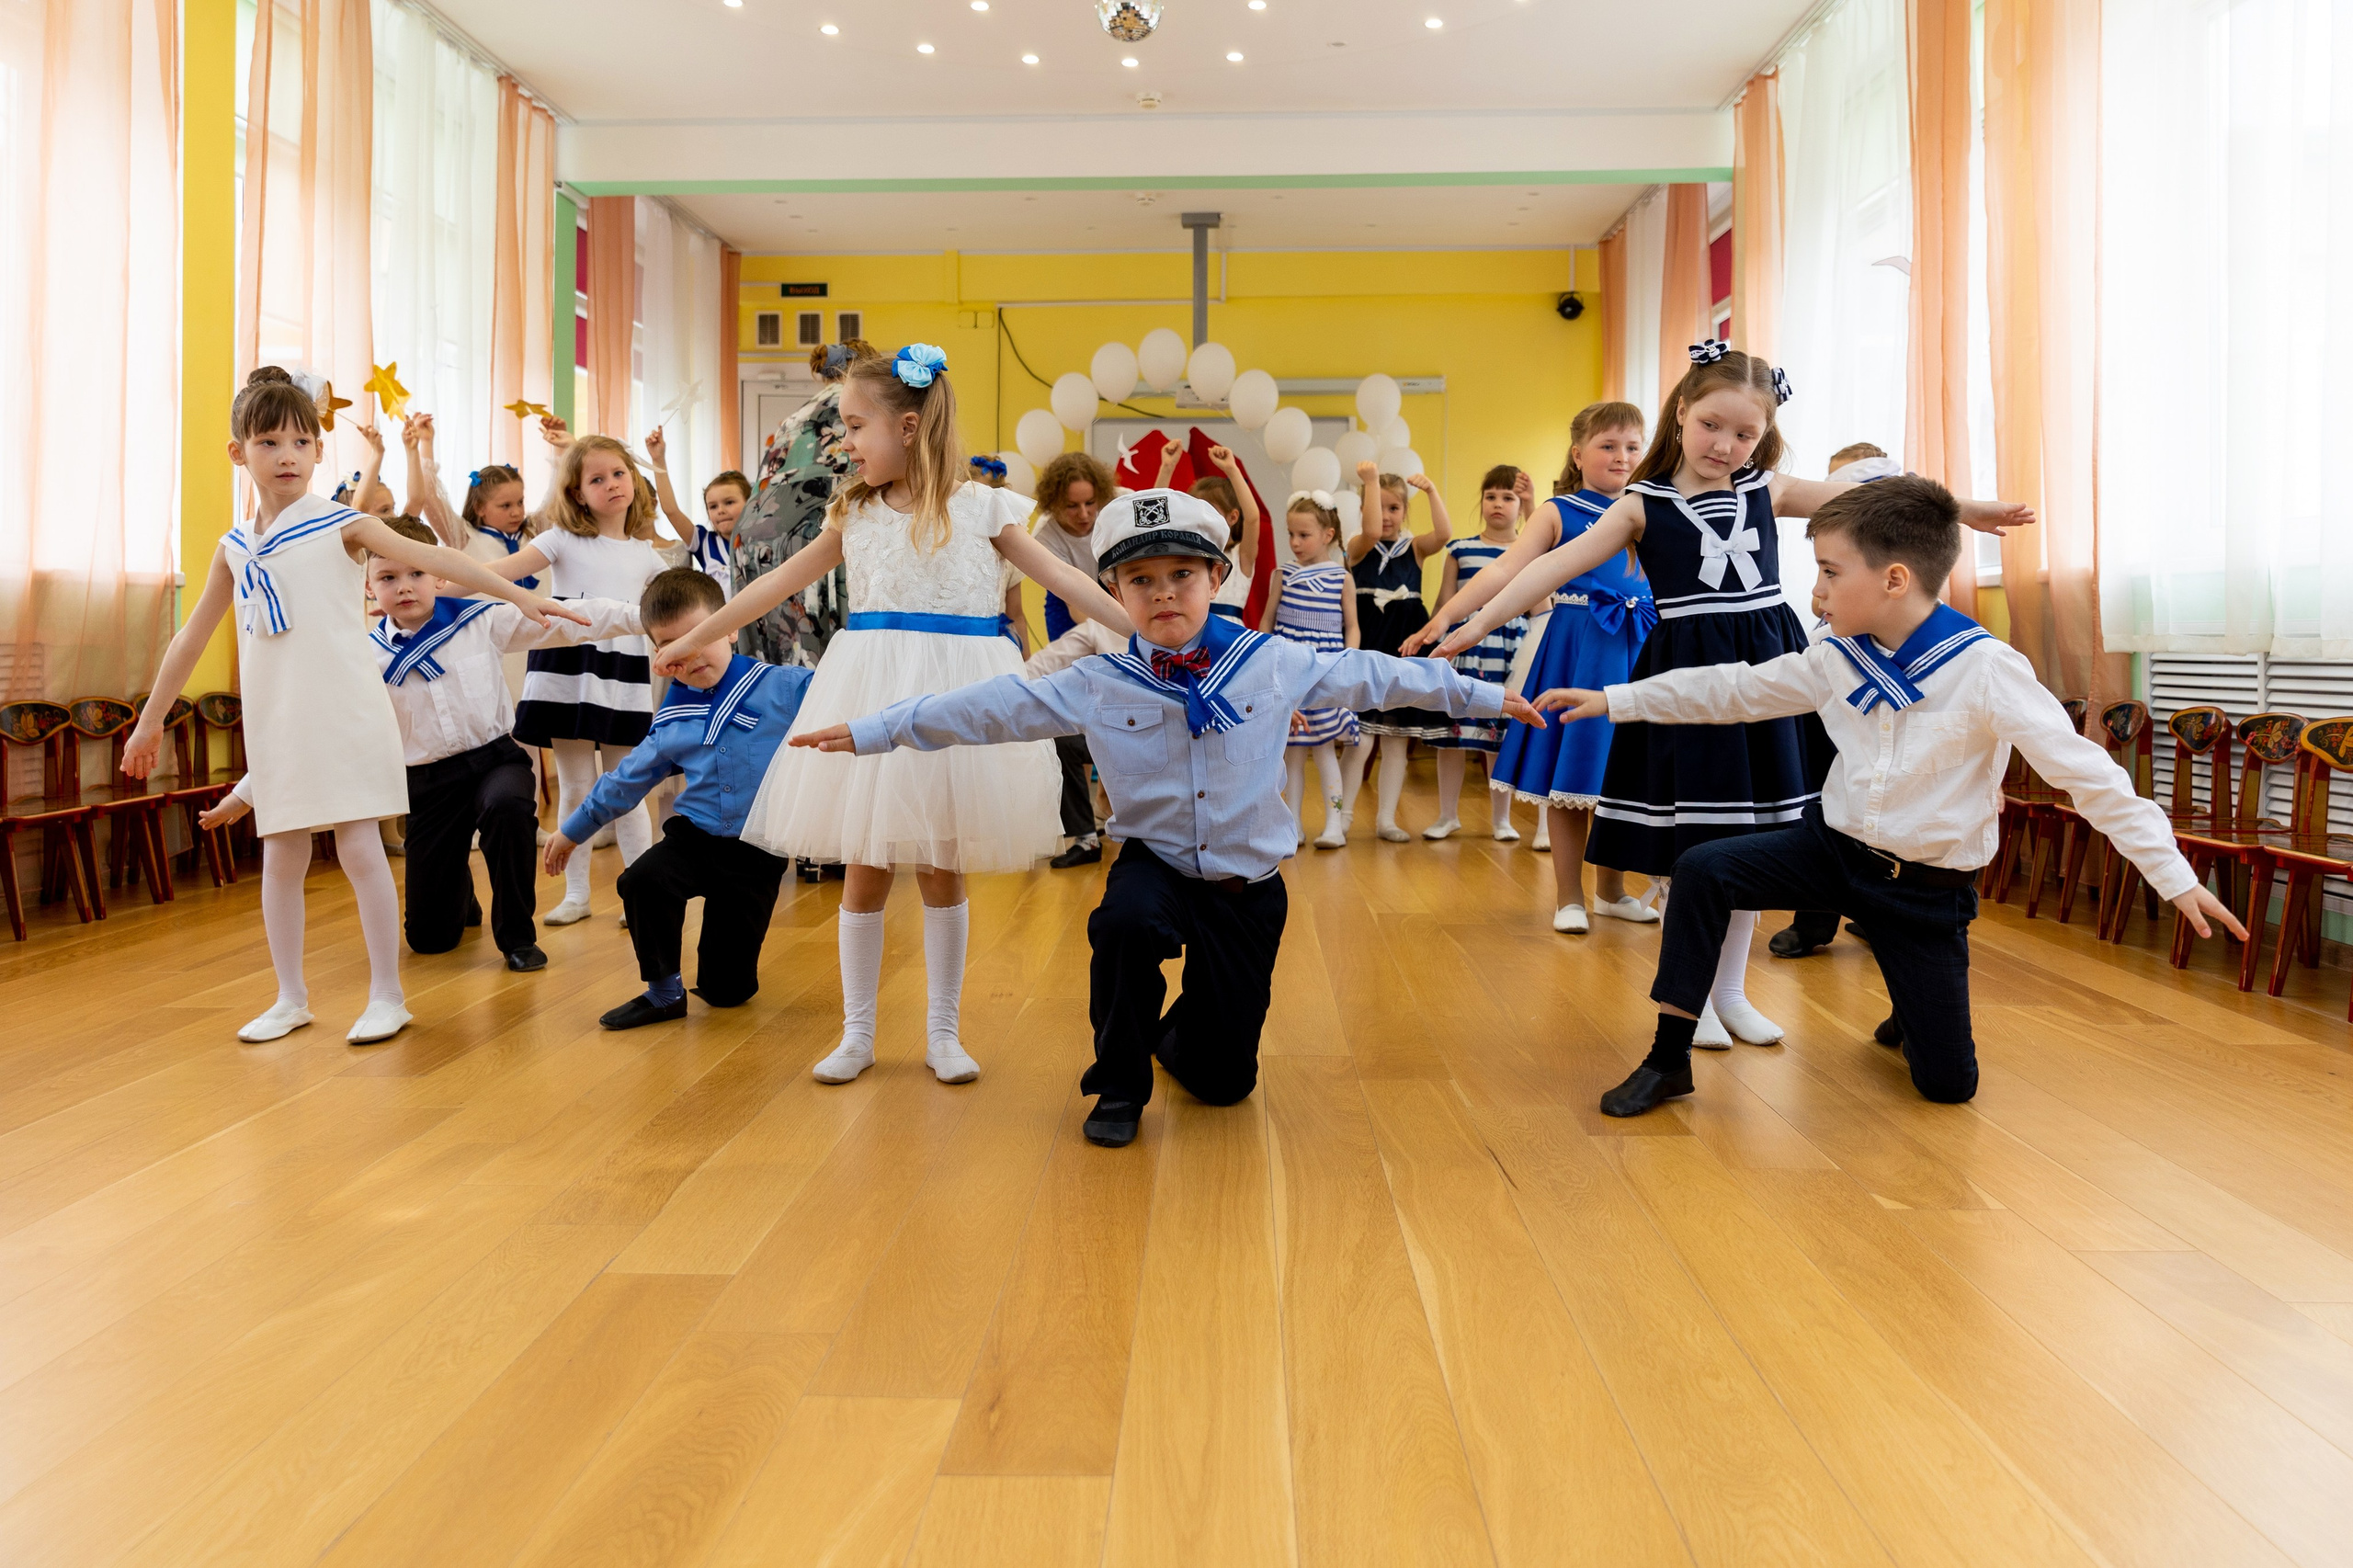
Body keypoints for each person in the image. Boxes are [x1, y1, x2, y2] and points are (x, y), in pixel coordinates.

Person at [790, 490, 1545, 1147]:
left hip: (1248, 881)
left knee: (1223, 1084)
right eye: (1140, 580)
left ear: (1217, 577)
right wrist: (872, 728)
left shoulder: (1267, 660)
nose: (1164, 595)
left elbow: (1371, 675)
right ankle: (1117, 1086)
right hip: (1154, 861)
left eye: (1183, 575)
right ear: (1113, 589)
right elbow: (989, 709)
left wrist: (1479, 696)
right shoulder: (1096, 678)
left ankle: (1178, 1038)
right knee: (1122, 926)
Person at [1530, 476, 2245, 1116]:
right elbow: (1738, 690)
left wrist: (2175, 876)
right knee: (1705, 868)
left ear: (1895, 579)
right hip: (1831, 851)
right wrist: (1615, 698)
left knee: (1946, 1087)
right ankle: (1668, 1059)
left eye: (1831, 572)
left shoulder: (1989, 670)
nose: (1816, 591)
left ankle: (1914, 1004)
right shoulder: (1836, 653)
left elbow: (2091, 777)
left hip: (1925, 888)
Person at [1434, 343, 2031, 1048]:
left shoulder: (1766, 489)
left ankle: (1733, 991)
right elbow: (1549, 566)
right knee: (1700, 837)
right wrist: (1472, 624)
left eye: (1745, 434)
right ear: (1683, 411)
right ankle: (1697, 1000)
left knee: (1754, 831)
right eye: (1713, 425)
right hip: (1688, 670)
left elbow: (1878, 501)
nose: (1726, 445)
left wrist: (1966, 510)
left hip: (1766, 663)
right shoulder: (1640, 506)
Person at [650, 345, 1133, 1086]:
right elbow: (778, 582)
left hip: (958, 696)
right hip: (869, 688)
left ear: (908, 426)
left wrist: (1148, 633)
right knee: (866, 865)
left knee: (942, 866)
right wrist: (693, 637)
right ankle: (859, 1033)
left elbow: (1063, 576)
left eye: (855, 425)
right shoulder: (855, 513)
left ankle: (943, 1031)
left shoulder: (984, 508)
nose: (846, 442)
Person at [121, 367, 581, 1044]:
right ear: (238, 452)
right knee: (282, 857)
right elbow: (190, 638)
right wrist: (151, 718)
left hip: (347, 713)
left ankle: (388, 996)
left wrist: (520, 596)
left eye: (301, 442)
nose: (286, 456)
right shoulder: (234, 548)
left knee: (360, 849)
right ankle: (290, 997)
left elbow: (443, 563)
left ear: (317, 452)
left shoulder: (345, 525)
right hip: (279, 723)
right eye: (269, 442)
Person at [1407, 403, 1657, 933]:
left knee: (1621, 778)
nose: (1622, 456)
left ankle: (1611, 890)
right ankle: (1570, 895)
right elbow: (1506, 568)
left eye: (1633, 446)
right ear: (1578, 453)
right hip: (1578, 647)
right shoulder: (1559, 511)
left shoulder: (1653, 508)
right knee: (1573, 769)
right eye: (1608, 445)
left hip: (1640, 649)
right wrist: (1448, 616)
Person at [544, 569, 814, 1029]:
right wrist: (572, 831)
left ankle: (720, 976)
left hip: (757, 848)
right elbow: (626, 780)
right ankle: (664, 993)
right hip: (695, 836)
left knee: (727, 993)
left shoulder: (788, 687)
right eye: (672, 645)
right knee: (643, 880)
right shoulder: (673, 715)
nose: (687, 654)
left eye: (697, 635)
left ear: (731, 626)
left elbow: (849, 712)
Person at [490, 431, 682, 927]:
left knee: (627, 789)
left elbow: (673, 605)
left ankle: (639, 892)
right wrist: (439, 580)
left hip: (622, 676)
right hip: (565, 670)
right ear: (577, 492)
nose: (612, 484)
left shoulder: (645, 555)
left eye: (619, 473)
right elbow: (501, 573)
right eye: (597, 479)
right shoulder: (558, 540)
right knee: (577, 786)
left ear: (634, 481)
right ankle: (576, 894)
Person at [1770, 439, 1906, 959]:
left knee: (1885, 807)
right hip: (1834, 687)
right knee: (1826, 806)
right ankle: (1815, 921)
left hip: (1887, 692)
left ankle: (1880, 916)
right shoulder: (1840, 542)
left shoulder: (1894, 532)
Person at [734, 338, 884, 666]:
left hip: (754, 539)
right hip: (809, 530)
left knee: (777, 661)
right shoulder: (857, 406)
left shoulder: (796, 415)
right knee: (827, 659)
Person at [1340, 463, 1453, 840]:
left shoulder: (1415, 549)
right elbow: (1372, 530)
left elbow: (1444, 534)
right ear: (1364, 507)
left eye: (1395, 508)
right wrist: (1371, 482)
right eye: (1379, 506)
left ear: (1406, 511)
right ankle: (1342, 817)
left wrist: (1432, 491)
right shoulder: (1357, 548)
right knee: (1361, 738)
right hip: (1370, 643)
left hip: (1404, 648)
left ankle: (1386, 819)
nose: (1386, 517)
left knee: (1396, 740)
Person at [1423, 464, 1534, 844]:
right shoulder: (1461, 549)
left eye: (1508, 497)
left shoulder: (1529, 550)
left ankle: (1501, 819)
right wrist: (1435, 636)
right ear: (1481, 502)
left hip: (1510, 651)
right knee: (1453, 734)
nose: (1498, 504)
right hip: (1469, 649)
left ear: (1521, 505)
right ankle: (1447, 815)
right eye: (1491, 496)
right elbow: (1445, 601)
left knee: (1499, 737)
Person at [1027, 450, 1120, 867]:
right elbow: (1077, 605)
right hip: (1074, 605)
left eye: (1090, 503)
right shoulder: (1046, 535)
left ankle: (1107, 806)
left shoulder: (1120, 509)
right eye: (1072, 506)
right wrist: (1100, 632)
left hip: (1120, 603)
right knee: (1075, 706)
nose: (1083, 514)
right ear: (1054, 505)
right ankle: (1084, 831)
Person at [1259, 491, 1360, 848]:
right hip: (1289, 675)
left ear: (1328, 535)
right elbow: (1267, 622)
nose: (1295, 542)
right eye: (1290, 534)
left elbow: (1352, 626)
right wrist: (1263, 665)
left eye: (1304, 535)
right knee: (1293, 754)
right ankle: (1294, 824)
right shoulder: (1282, 575)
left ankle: (1334, 823)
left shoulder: (1341, 578)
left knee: (1325, 749)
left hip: (1325, 674)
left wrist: (1348, 663)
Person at [1157, 440, 1267, 624]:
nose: (1202, 519)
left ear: (1233, 517)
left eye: (1211, 511)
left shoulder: (1241, 557)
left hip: (1229, 638)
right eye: (1196, 512)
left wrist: (1232, 469)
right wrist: (1167, 467)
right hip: (1191, 632)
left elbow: (1253, 518)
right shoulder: (1189, 554)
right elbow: (1154, 524)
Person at [647, 426, 748, 601]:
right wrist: (658, 460)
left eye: (729, 502)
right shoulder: (704, 542)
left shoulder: (763, 541)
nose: (721, 510)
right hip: (720, 626)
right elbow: (671, 510)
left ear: (750, 503)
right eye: (713, 506)